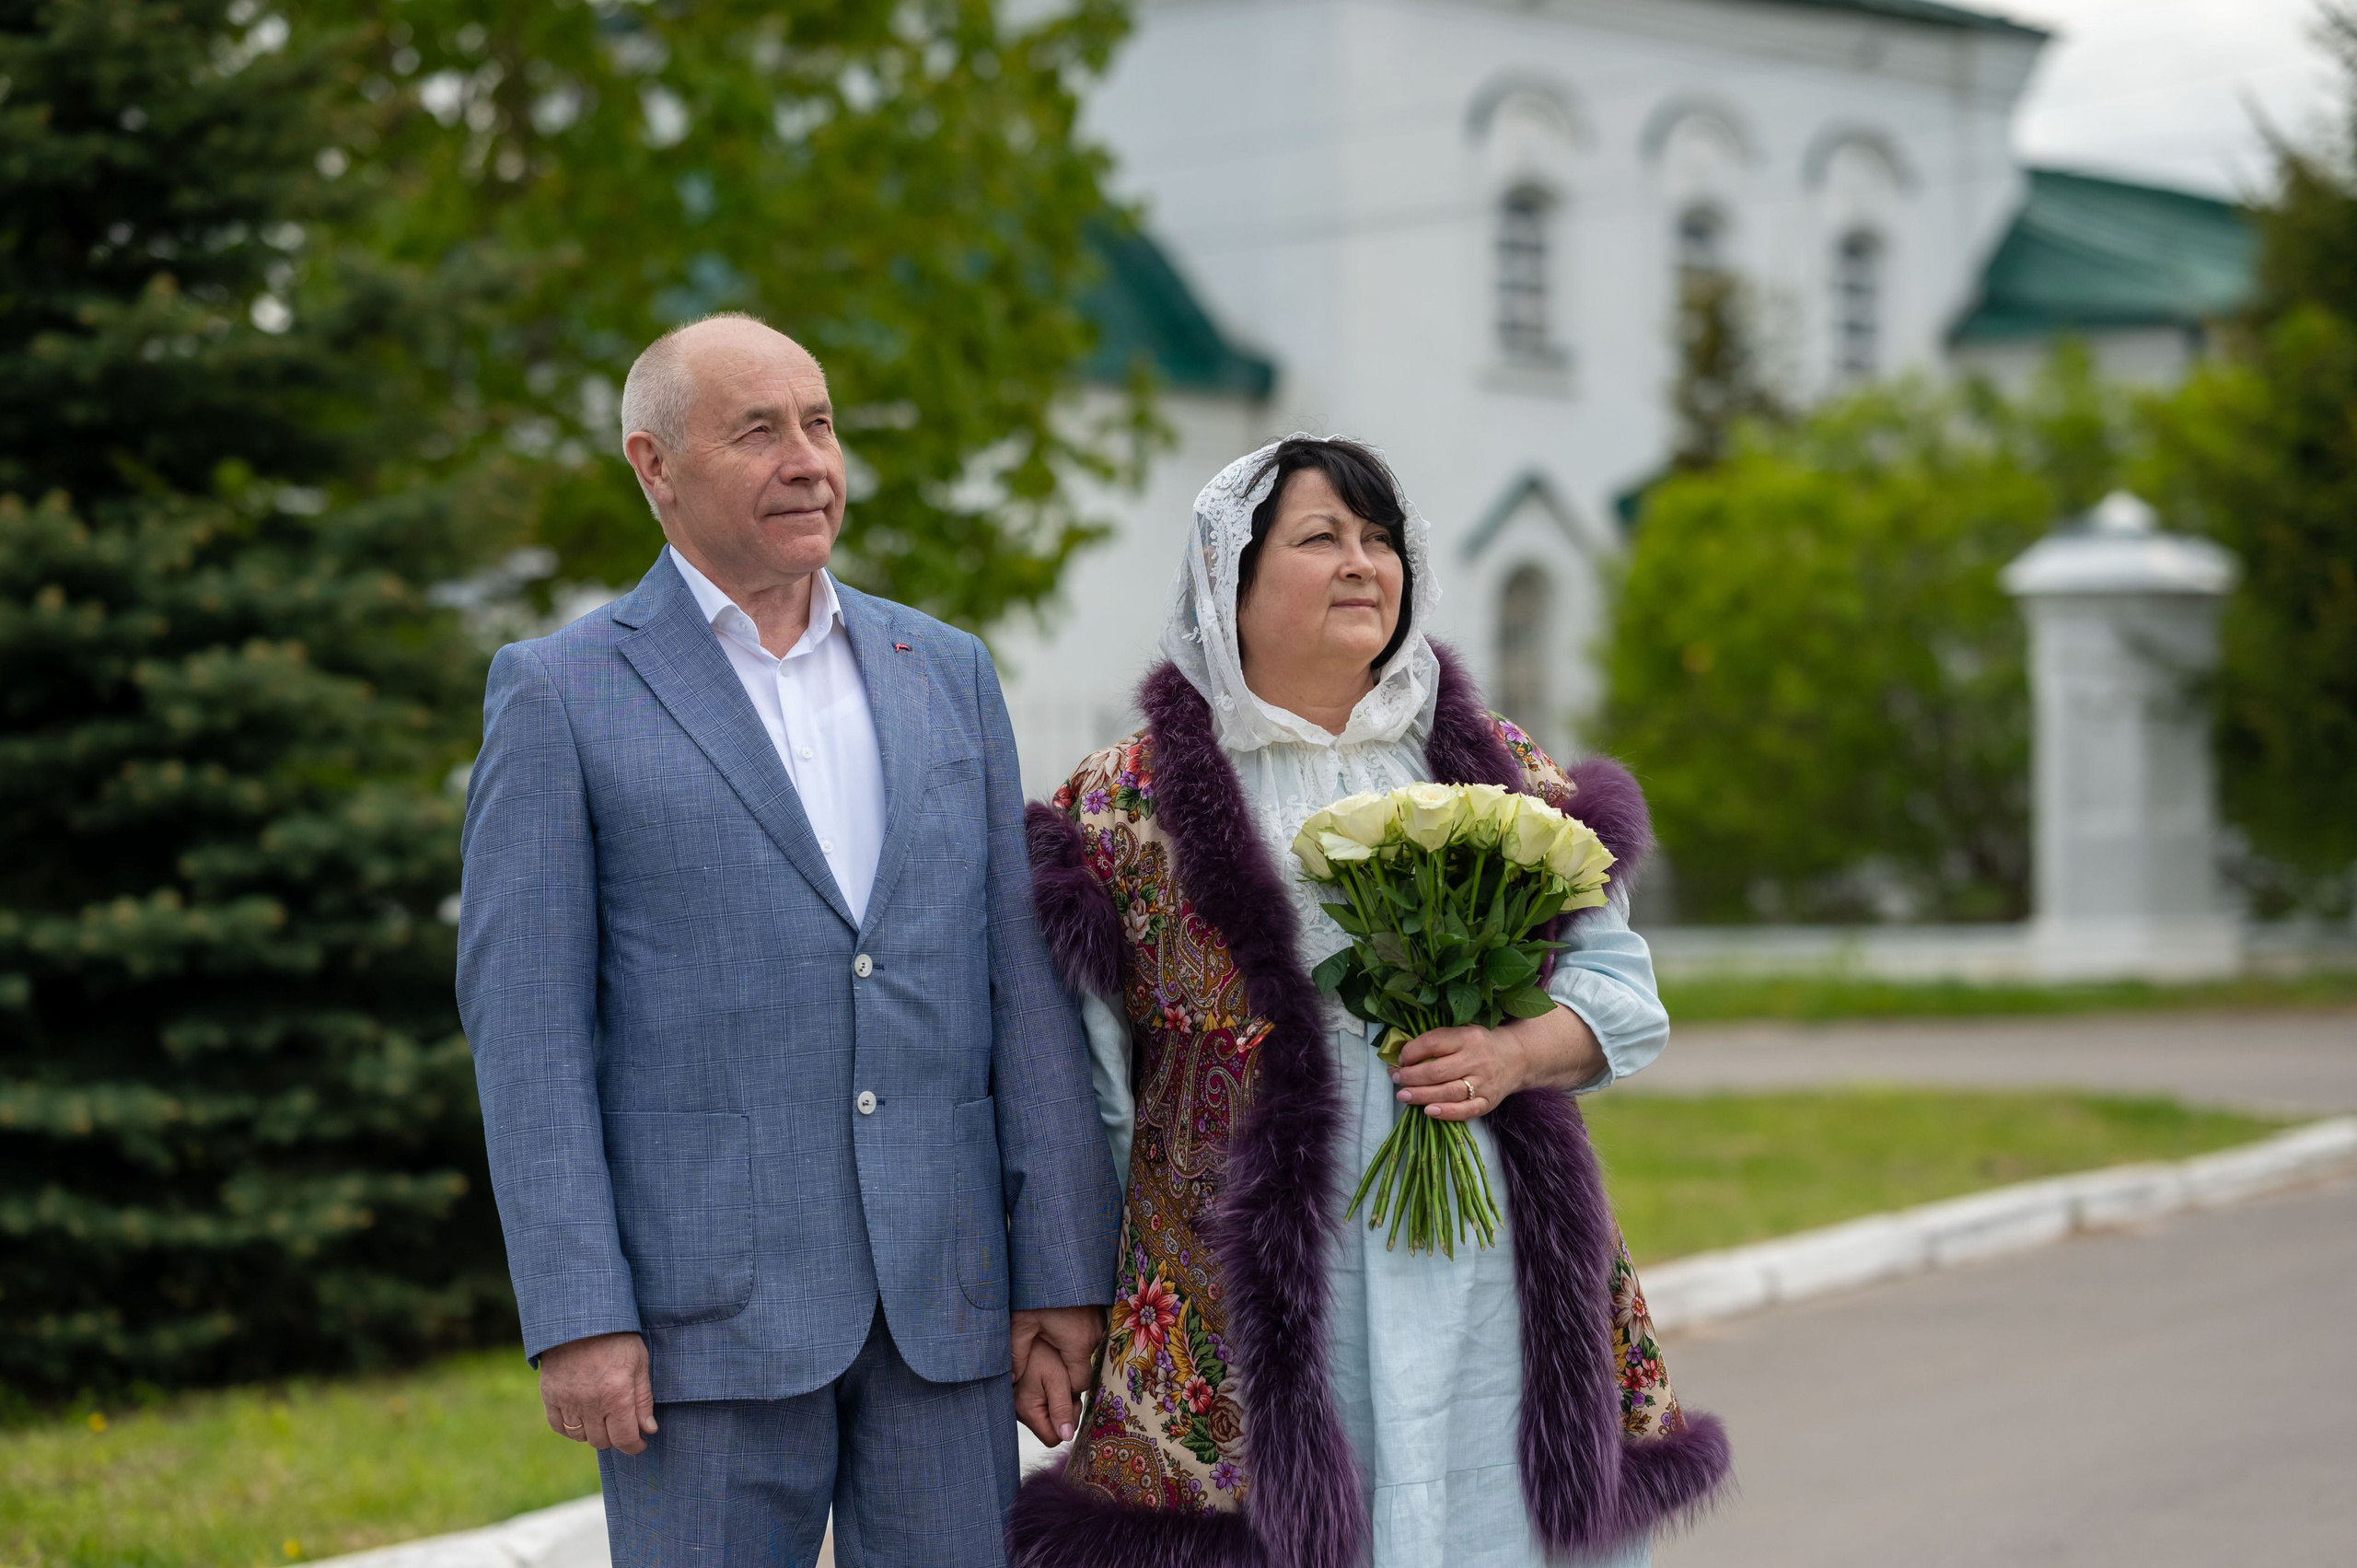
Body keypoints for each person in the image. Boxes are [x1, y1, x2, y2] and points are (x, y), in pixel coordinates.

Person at [456, 313, 1121, 1568]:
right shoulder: (560, 692)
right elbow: (528, 1032)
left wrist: (1060, 1269)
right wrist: (579, 1312)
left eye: (818, 423)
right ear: (654, 465)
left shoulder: (948, 670)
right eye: (757, 431)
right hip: (698, 1321)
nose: (807, 459)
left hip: (945, 1302)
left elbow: (1020, 990)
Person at [1010, 437, 1730, 1568]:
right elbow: (1081, 1086)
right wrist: (1063, 1293)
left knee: (1491, 1513)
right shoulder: (1120, 806)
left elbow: (1618, 988)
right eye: (1321, 537)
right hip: (1238, 1281)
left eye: (1379, 538)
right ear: (1230, 578)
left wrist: (1515, 1052)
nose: (1362, 562)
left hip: (1489, 1249)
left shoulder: (1489, 766)